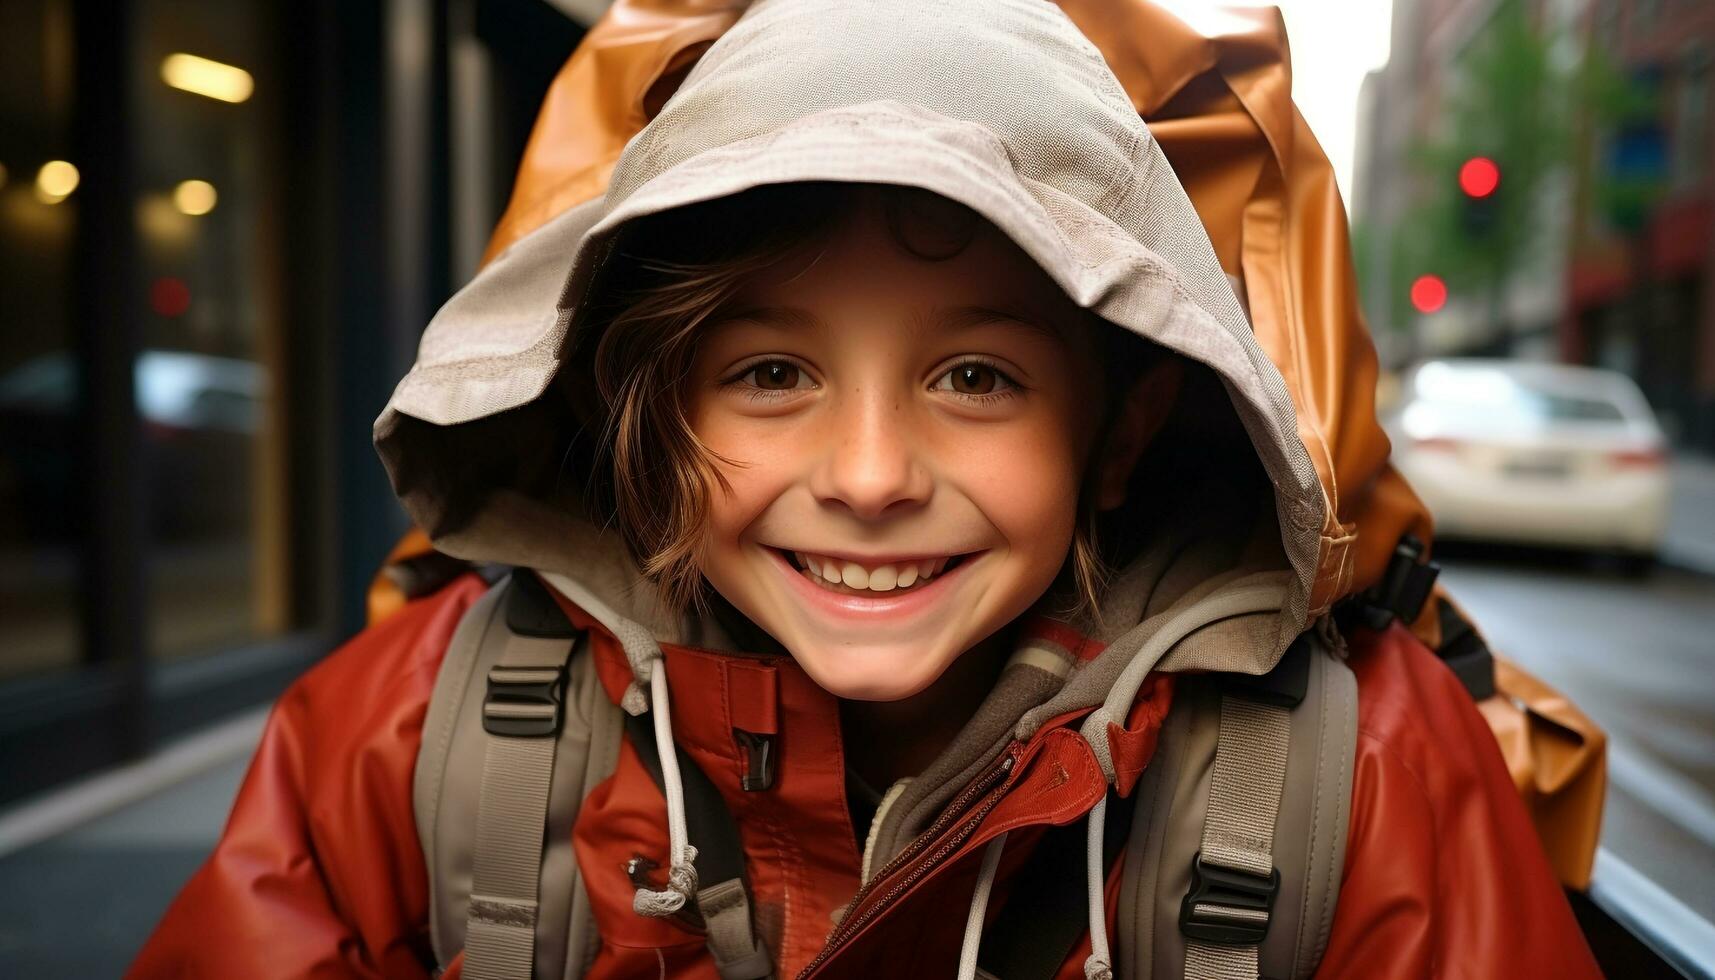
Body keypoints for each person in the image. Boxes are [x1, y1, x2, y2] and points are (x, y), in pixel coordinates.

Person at [132, 1, 1603, 977]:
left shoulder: (1364, 776)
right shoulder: (404, 741)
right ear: (642, 409)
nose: (872, 478)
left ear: (1129, 426)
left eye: (977, 379)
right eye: (769, 374)